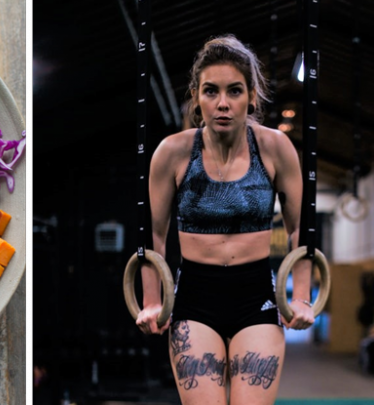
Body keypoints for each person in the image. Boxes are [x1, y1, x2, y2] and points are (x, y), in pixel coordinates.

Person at [135, 34, 316, 405]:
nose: (222, 104)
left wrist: (302, 298)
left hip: (257, 298)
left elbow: (300, 228)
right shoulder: (173, 153)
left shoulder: (274, 148)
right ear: (196, 95)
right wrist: (152, 300)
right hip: (194, 299)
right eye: (211, 91)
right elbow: (153, 233)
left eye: (234, 91)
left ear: (251, 95)